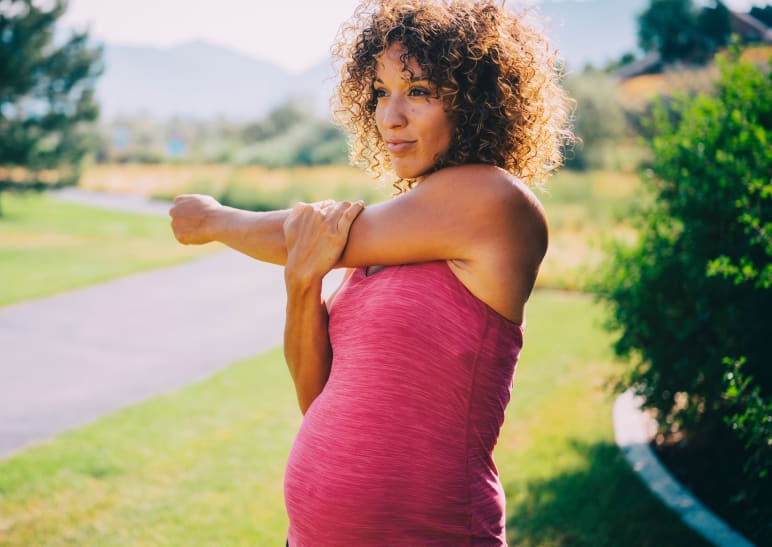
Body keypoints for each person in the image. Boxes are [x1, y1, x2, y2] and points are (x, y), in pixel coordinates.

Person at [169, 0, 572, 544]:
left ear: (474, 101)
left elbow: (293, 233)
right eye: (381, 92)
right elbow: (315, 399)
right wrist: (301, 282)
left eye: (420, 91)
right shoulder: (391, 236)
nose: (390, 116)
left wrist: (215, 219)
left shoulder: (495, 202)